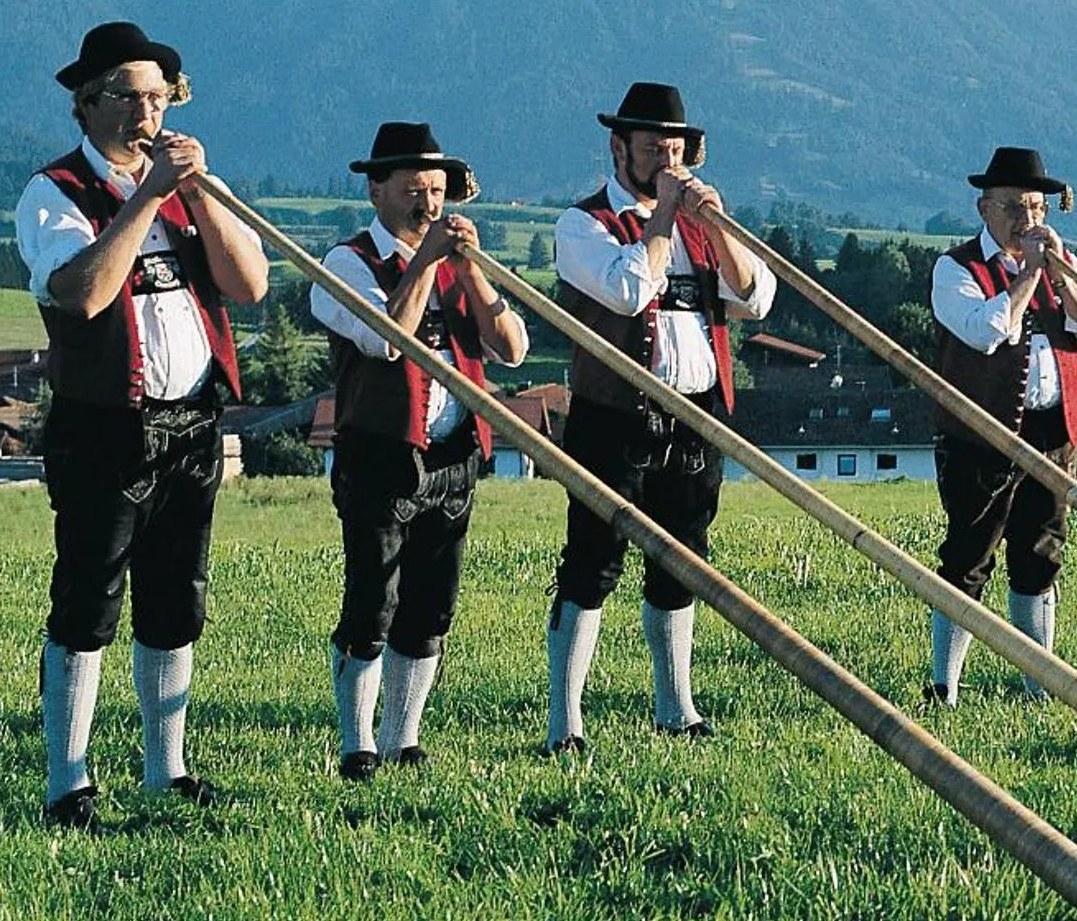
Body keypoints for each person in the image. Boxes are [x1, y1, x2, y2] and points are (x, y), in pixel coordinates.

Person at [16, 20, 269, 828]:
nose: (146, 112)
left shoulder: (189, 193)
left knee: (175, 597)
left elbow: (251, 284)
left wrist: (196, 193)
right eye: (128, 96)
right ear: (86, 104)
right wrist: (151, 195)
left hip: (192, 424)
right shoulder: (54, 192)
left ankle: (168, 770)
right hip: (105, 429)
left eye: (159, 97)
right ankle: (68, 784)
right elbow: (82, 293)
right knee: (89, 601)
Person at [545, 81, 776, 750]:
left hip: (697, 418)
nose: (666, 163)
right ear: (619, 149)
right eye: (652, 149)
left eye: (675, 150)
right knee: (592, 564)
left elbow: (754, 298)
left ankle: (676, 708)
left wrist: (718, 225)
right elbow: (625, 290)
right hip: (614, 415)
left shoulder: (700, 230)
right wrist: (664, 220)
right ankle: (566, 723)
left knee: (682, 562)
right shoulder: (582, 225)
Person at [310, 122, 528, 781]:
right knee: (372, 602)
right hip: (381, 453)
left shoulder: (457, 263)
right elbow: (387, 339)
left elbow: (512, 349)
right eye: (412, 190)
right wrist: (430, 262)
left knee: (431, 606)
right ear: (376, 191)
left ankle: (403, 740)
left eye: (437, 192)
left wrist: (477, 278)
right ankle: (357, 744)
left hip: (453, 455)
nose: (429, 206)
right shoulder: (346, 264)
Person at [925, 147, 1077, 705]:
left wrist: (1061, 274)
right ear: (984, 208)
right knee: (969, 556)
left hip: (1053, 432)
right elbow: (987, 331)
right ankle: (945, 685)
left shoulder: (1064, 265)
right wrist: (1031, 275)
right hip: (980, 436)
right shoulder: (955, 268)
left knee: (1041, 554)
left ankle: (1038, 686)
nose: (1028, 220)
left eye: (1037, 207)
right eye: (1014, 208)